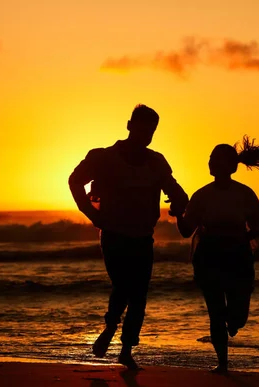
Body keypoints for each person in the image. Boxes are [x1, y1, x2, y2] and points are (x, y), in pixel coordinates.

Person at [68, 104, 188, 369]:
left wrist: (179, 204)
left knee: (139, 295)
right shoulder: (104, 158)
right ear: (130, 125)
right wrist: (90, 213)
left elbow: (177, 190)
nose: (147, 135)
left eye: (152, 131)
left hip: (144, 237)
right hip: (113, 235)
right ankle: (110, 328)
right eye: (143, 128)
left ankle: (126, 350)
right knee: (124, 286)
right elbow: (75, 180)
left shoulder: (156, 162)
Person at [175, 135, 259, 373]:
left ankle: (234, 324)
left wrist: (244, 237)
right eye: (209, 159)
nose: (210, 163)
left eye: (215, 159)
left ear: (230, 166)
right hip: (209, 256)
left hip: (238, 256)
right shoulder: (201, 195)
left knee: (238, 315)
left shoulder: (245, 194)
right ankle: (222, 363)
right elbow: (187, 231)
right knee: (216, 311)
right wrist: (179, 213)